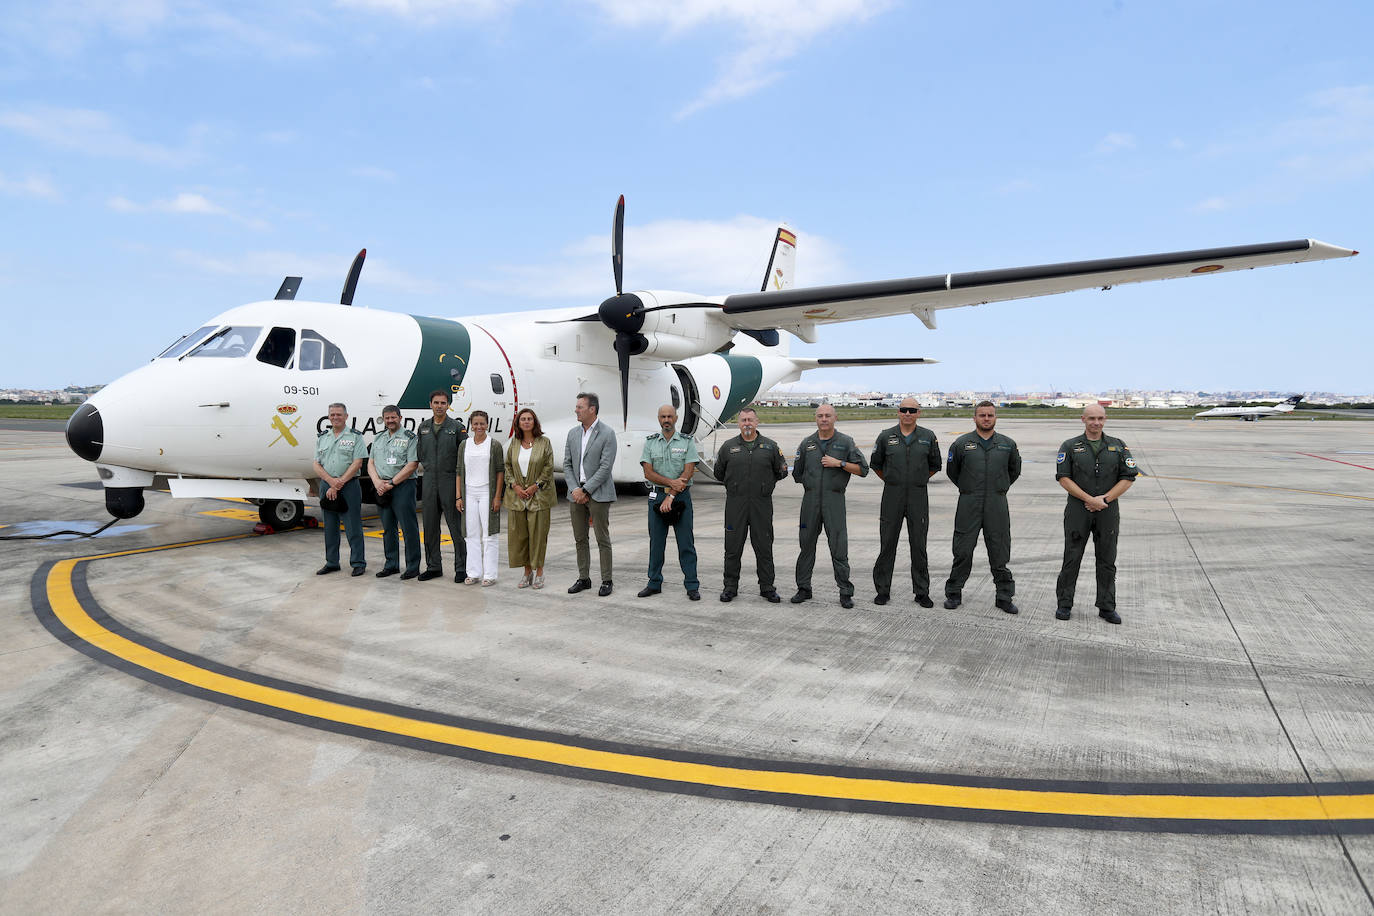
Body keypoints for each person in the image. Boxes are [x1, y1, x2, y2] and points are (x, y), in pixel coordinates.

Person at [1054, 404, 1138, 624]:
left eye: (1100, 418)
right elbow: (1064, 477)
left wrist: (1105, 499)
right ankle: (1064, 604)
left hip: (1107, 511)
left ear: (1105, 419)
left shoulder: (1118, 446)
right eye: (1091, 418)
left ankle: (1107, 606)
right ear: (1083, 419)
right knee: (1072, 558)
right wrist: (1089, 499)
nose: (1096, 422)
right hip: (1077, 510)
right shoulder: (1070, 446)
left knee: (1107, 559)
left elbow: (1128, 476)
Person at [943, 401, 1022, 614]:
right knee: (963, 551)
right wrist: (969, 489)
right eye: (982, 415)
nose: (986, 418)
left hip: (997, 503)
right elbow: (953, 472)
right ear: (974, 418)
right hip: (969, 502)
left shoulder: (1007, 444)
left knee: (999, 552)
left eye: (990, 415)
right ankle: (954, 593)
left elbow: (1014, 471)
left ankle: (1004, 596)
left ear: (995, 417)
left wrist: (998, 488)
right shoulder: (961, 444)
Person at [791, 403, 869, 608]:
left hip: (834, 501)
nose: (823, 419)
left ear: (835, 418)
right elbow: (797, 474)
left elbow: (863, 470)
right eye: (820, 416)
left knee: (838, 547)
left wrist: (840, 464)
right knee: (806, 545)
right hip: (810, 502)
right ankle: (803, 588)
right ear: (815, 419)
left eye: (827, 415)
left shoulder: (845, 442)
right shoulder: (807, 443)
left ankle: (845, 591)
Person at [870, 398, 942, 607]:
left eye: (912, 410)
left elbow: (935, 465)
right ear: (898, 412)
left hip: (918, 496)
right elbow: (877, 464)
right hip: (892, 496)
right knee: (887, 544)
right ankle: (882, 590)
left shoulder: (928, 437)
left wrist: (917, 480)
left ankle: (922, 592)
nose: (908, 413)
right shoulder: (886, 436)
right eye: (904, 410)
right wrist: (894, 480)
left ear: (919, 413)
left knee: (919, 545)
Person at [713, 407, 788, 603]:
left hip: (761, 506)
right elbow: (718, 473)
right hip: (735, 505)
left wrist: (764, 486)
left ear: (757, 422)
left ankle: (767, 587)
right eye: (743, 420)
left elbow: (781, 471)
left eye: (750, 420)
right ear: (739, 423)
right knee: (732, 548)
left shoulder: (770, 447)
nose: (747, 423)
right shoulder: (728, 447)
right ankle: (730, 587)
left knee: (764, 547)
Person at [638, 405, 701, 600]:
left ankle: (692, 585)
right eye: (663, 416)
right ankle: (654, 582)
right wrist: (669, 484)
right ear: (658, 419)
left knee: (686, 543)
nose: (667, 419)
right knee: (656, 543)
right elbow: (648, 473)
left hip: (680, 497)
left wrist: (672, 494)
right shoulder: (650, 443)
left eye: (670, 416)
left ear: (676, 418)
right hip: (657, 497)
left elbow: (688, 471)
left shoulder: (687, 442)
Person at [562, 392, 617, 596]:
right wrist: (575, 489)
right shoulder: (572, 434)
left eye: (580, 407)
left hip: (598, 493)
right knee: (580, 539)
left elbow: (605, 467)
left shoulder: (607, 433)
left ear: (592, 409)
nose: (576, 410)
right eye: (577, 407)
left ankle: (606, 580)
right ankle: (583, 578)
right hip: (576, 493)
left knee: (602, 538)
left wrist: (586, 490)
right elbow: (567, 464)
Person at [312, 402, 368, 577]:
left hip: (349, 485)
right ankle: (332, 562)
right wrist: (330, 482)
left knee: (353, 526)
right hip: (327, 486)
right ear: (329, 416)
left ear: (346, 416)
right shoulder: (323, 437)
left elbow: (358, 462)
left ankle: (358, 562)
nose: (335, 417)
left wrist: (339, 483)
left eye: (339, 414)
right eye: (332, 414)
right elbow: (316, 464)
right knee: (329, 526)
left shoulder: (355, 436)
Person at [416, 389, 466, 582]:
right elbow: (421, 453)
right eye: (436, 403)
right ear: (430, 404)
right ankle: (433, 566)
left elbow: (464, 457)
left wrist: (460, 489)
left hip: (450, 480)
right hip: (429, 480)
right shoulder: (423, 428)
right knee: (429, 526)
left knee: (456, 527)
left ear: (448, 405)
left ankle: (461, 568)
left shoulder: (457, 428)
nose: (439, 406)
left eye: (443, 403)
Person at [505, 407, 555, 589]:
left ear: (535, 422)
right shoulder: (515, 443)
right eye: (523, 419)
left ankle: (540, 572)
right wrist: (515, 485)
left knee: (538, 536)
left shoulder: (544, 442)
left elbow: (549, 467)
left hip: (539, 496)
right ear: (518, 423)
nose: (526, 422)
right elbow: (508, 466)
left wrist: (536, 485)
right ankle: (527, 572)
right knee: (521, 536)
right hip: (517, 497)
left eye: (529, 419)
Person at [368, 405, 420, 580]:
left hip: (403, 486)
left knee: (408, 528)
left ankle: (413, 567)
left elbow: (412, 464)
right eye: (387, 418)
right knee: (388, 529)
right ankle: (391, 565)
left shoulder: (410, 438)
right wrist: (377, 482)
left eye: (393, 417)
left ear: (400, 417)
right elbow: (371, 463)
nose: (390, 421)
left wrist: (391, 483)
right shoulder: (378, 438)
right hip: (382, 487)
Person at [456, 410, 504, 586]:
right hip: (469, 493)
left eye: (482, 423)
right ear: (471, 425)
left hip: (486, 493)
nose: (478, 427)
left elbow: (500, 472)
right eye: (475, 424)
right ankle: (474, 572)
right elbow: (459, 471)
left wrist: (497, 496)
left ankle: (490, 575)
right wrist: (458, 497)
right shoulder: (465, 445)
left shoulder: (494, 445)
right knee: (471, 534)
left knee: (489, 535)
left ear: (487, 425)